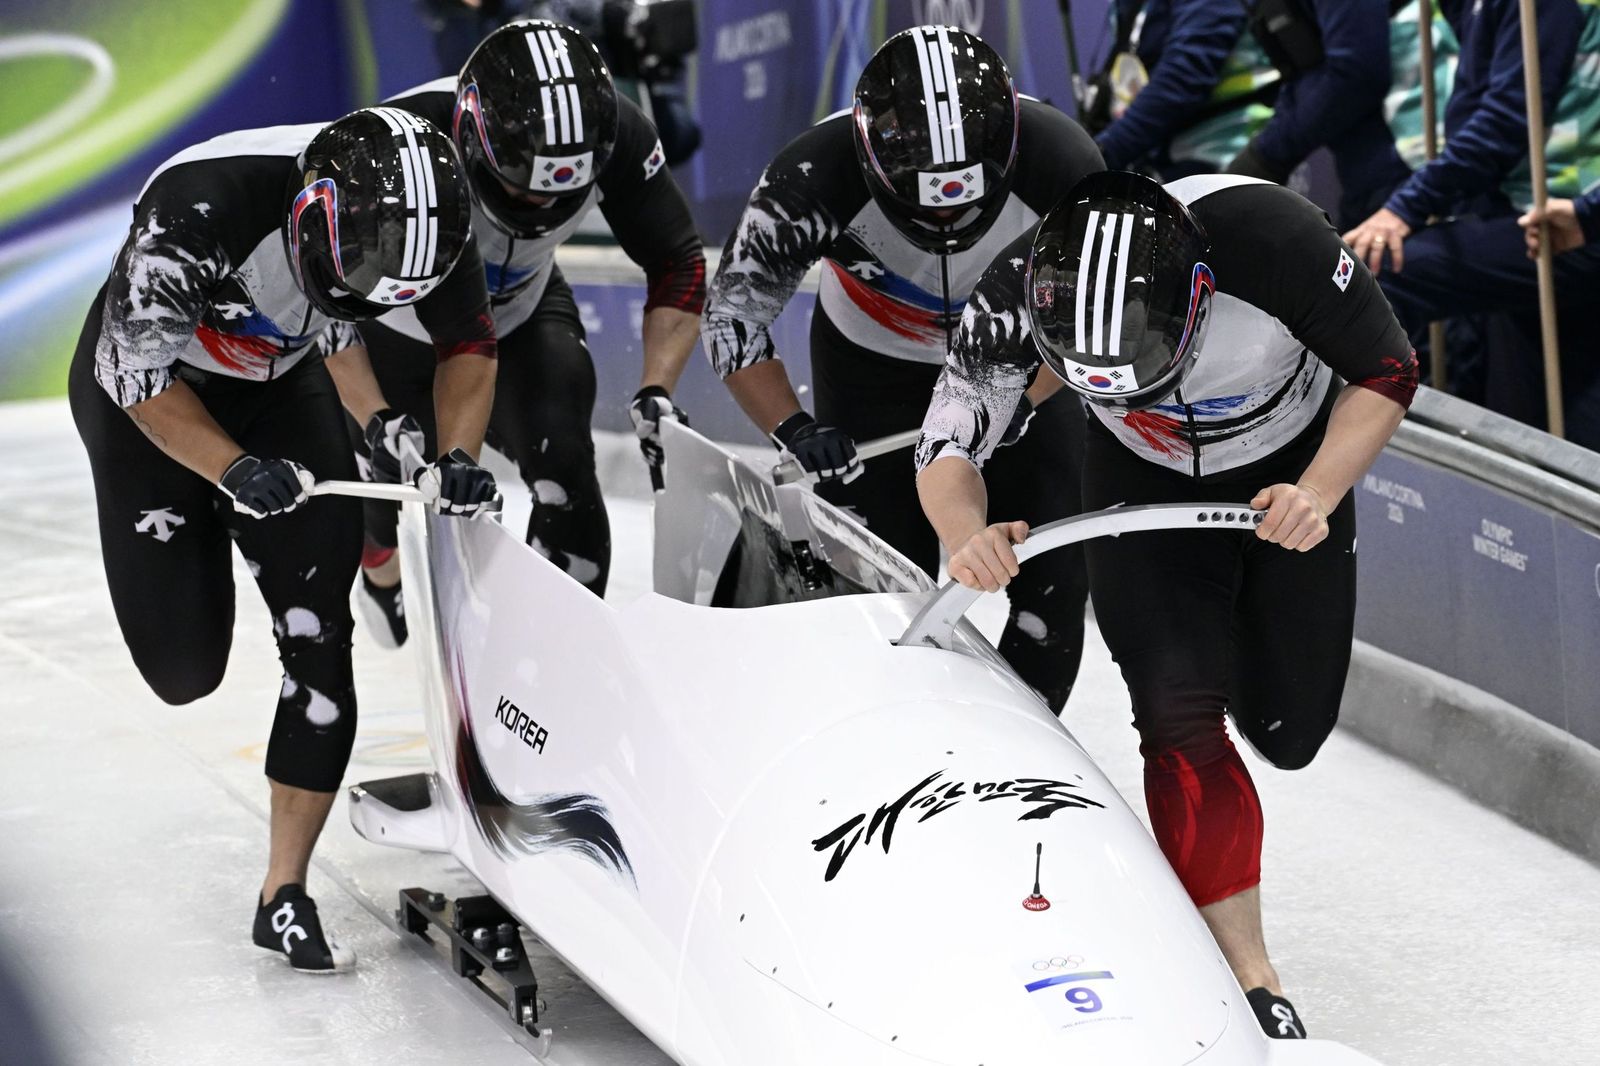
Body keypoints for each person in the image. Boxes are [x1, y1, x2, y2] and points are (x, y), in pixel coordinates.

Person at [916, 171, 1416, 1036]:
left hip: (1287, 473)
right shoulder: (1022, 284)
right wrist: (967, 535)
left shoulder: (1276, 240)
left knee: (1290, 732)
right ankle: (1251, 977)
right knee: (1176, 709)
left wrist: (1319, 491)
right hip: (1136, 477)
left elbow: (1388, 369)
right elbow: (948, 441)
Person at [67, 107, 501, 973]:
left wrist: (444, 451)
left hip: (282, 380)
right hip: (152, 387)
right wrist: (229, 469)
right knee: (184, 670)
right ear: (312, 219)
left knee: (318, 635)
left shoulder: (429, 219)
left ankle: (283, 892)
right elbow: (136, 376)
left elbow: (468, 347)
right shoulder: (196, 212)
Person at [702, 25, 1103, 712]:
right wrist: (794, 428)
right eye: (922, 203)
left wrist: (1028, 401)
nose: (947, 222)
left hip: (1016, 364)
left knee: (1053, 581)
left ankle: (1009, 755)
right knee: (887, 577)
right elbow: (732, 319)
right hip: (873, 366)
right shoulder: (810, 177)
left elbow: (1097, 325)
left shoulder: (1064, 164)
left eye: (966, 204)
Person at [334, 18, 705, 645]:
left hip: (518, 317)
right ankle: (379, 559)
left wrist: (656, 388)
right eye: (518, 185)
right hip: (396, 333)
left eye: (560, 192)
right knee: (389, 483)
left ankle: (551, 651)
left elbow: (678, 260)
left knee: (564, 461)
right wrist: (371, 411)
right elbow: (323, 305)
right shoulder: (394, 150)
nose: (539, 207)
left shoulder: (615, 130)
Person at [1340, 0, 1583, 405]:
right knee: (1542, 412)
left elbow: (1504, 123)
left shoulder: (1537, 7)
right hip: (1515, 209)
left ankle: (1364, 450)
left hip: (1561, 215)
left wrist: (1405, 208)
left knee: (1379, 277)